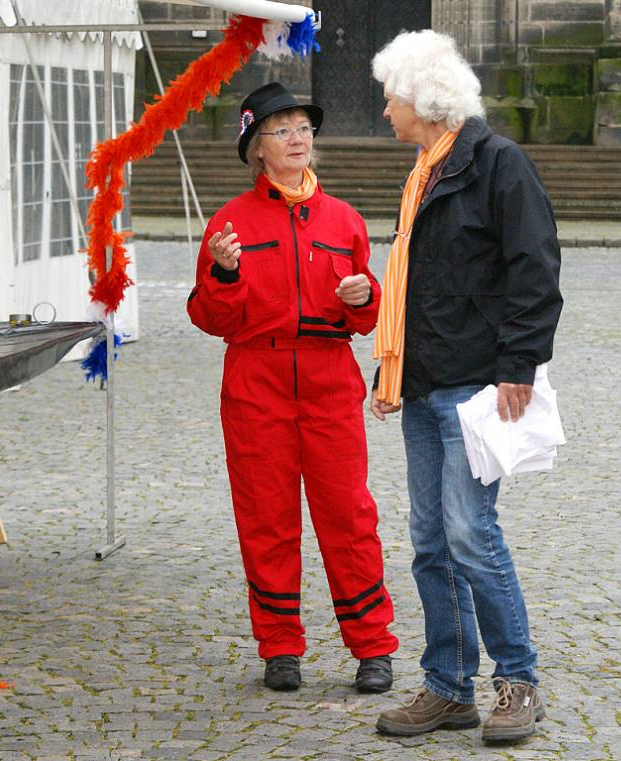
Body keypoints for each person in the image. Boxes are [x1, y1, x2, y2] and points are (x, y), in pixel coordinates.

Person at [368, 31, 563, 742]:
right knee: (429, 540)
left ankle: (518, 680)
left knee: (470, 534)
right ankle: (449, 687)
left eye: (390, 95)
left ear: (423, 99)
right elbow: (413, 285)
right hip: (424, 383)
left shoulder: (496, 163)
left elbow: (535, 269)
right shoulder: (424, 169)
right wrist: (390, 370)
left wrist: (519, 364)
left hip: (478, 384)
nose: (384, 109)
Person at [187, 82, 399, 692]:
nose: (299, 137)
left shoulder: (344, 220)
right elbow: (209, 317)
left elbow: (364, 315)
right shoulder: (229, 223)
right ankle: (279, 646)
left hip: (330, 378)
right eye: (283, 130)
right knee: (266, 516)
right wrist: (225, 273)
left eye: (304, 127)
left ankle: (372, 646)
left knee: (349, 514)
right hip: (257, 378)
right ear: (257, 148)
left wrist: (366, 298)